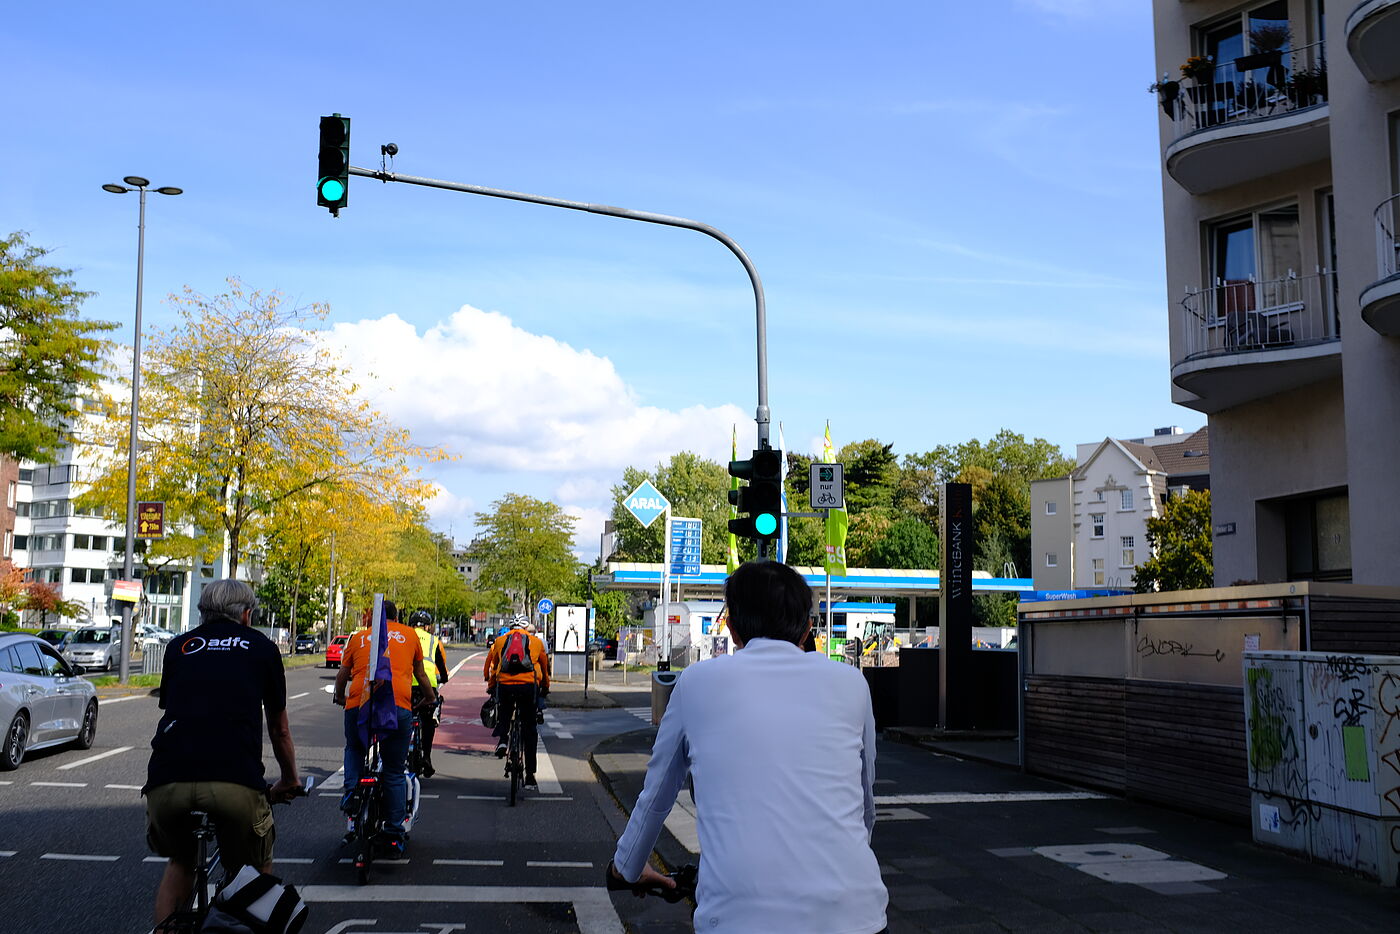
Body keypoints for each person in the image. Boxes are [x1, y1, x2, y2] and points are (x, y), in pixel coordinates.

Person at [610, 560, 888, 934]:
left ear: (732, 627)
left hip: (738, 920)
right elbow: (864, 804)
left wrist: (627, 867)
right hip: (855, 916)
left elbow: (657, 796)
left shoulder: (696, 684)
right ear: (807, 628)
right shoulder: (852, 684)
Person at [143, 579, 303, 926]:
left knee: (181, 862)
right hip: (235, 781)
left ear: (203, 614)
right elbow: (280, 729)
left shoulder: (179, 646)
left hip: (166, 781)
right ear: (247, 615)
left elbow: (171, 707)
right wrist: (289, 780)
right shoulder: (262, 648)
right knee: (254, 869)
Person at [333, 599, 437, 857]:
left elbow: (343, 673)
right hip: (396, 703)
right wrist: (429, 698)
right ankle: (393, 832)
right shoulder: (409, 635)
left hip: (360, 702)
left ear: (372, 617)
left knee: (355, 748)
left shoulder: (358, 637)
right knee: (393, 770)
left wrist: (339, 696)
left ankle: (351, 794)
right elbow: (421, 674)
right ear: (396, 616)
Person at [483, 617, 550, 788]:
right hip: (528, 686)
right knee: (530, 728)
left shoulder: (499, 641)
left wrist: (491, 686)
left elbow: (493, 666)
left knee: (504, 714)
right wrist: (545, 687)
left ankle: (504, 741)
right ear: (527, 627)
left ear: (510, 626)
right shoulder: (536, 642)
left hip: (505, 685)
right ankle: (530, 775)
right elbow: (544, 667)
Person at [408, 609, 450, 778]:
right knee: (428, 722)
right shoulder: (433, 640)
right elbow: (440, 664)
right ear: (427, 626)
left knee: (403, 717)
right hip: (428, 686)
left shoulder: (406, 637)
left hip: (407, 684)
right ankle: (426, 756)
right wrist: (444, 678)